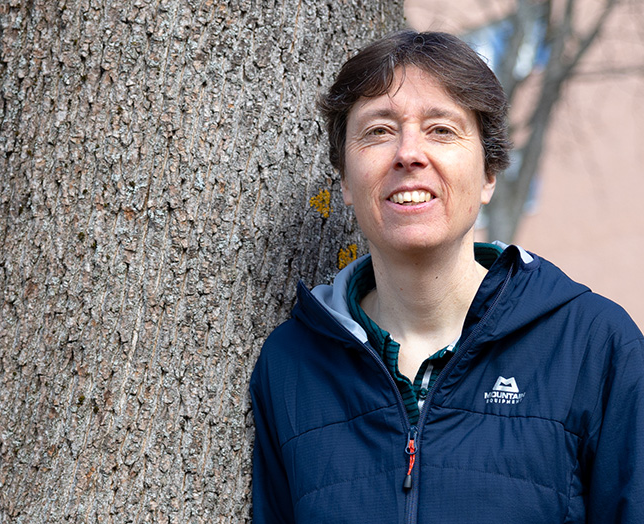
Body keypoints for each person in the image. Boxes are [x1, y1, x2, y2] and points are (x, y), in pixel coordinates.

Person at [249, 30, 644, 523]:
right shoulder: (290, 365)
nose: (409, 153)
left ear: (488, 174)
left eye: (441, 130)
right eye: (377, 131)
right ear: (345, 181)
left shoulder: (595, 347)